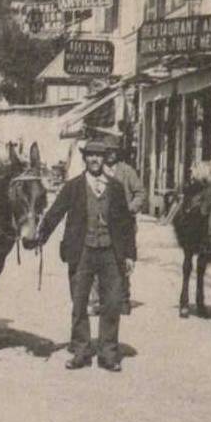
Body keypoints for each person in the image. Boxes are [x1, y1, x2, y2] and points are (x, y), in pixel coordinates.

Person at [23, 136, 137, 372]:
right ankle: (81, 351)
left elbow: (126, 224)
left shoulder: (115, 187)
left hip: (110, 253)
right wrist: (38, 237)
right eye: (91, 156)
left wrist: (129, 255)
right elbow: (55, 213)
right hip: (81, 251)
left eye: (99, 156)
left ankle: (108, 354)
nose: (95, 160)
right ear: (85, 159)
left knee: (112, 303)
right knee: (79, 302)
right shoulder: (73, 186)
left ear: (105, 159)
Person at [103, 137, 145, 314]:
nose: (110, 155)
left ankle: (124, 298)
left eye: (113, 151)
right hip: (102, 223)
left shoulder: (127, 171)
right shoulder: (98, 171)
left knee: (124, 259)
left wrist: (131, 208)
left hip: (123, 224)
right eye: (107, 151)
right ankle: (100, 299)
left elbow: (140, 193)